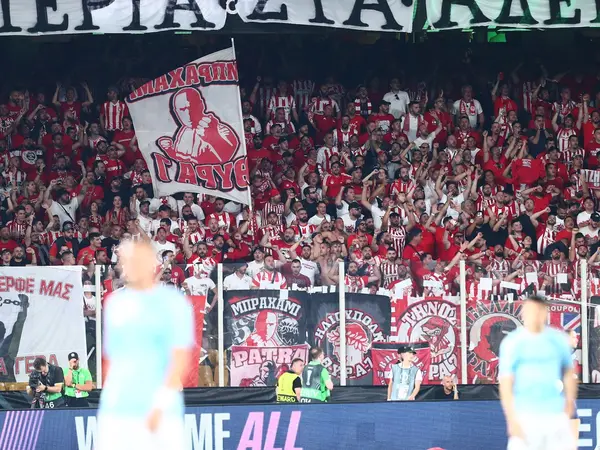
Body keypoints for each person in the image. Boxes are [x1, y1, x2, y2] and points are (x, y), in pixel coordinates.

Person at [97, 240, 194, 450]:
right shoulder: (115, 304)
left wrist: (159, 404)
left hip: (161, 410)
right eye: (124, 262)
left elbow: (179, 359)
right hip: (119, 411)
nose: (125, 267)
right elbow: (112, 361)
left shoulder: (173, 302)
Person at [499, 295, 576, 450]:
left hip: (555, 414)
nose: (534, 314)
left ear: (545, 312)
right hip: (525, 415)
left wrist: (569, 403)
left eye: (538, 310)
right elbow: (506, 382)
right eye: (530, 310)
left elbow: (569, 372)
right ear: (523, 313)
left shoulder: (558, 340)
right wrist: (511, 418)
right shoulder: (512, 343)